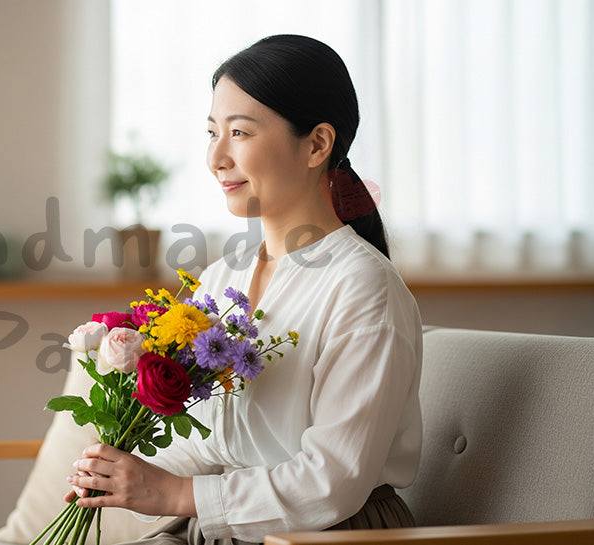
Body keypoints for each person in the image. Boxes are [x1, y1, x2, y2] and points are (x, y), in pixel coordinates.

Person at [65, 34, 423, 543]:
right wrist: (125, 471)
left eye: (239, 132)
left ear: (318, 144)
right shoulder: (220, 278)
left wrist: (173, 494)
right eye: (212, 132)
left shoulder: (364, 288)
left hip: (333, 531)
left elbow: (332, 480)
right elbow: (220, 443)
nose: (216, 157)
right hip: (232, 526)